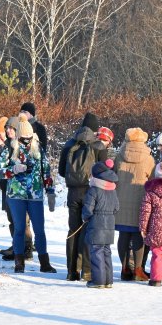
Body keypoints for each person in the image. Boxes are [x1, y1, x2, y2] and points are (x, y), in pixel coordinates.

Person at [0, 117, 57, 274]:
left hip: (35, 195)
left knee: (39, 229)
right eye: (24, 139)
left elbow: (46, 171)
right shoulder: (10, 148)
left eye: (29, 138)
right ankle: (19, 262)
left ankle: (45, 263)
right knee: (20, 229)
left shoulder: (38, 148)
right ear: (18, 137)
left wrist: (50, 191)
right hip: (16, 195)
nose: (27, 142)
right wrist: (14, 170)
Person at [59, 112, 108, 281]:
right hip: (91, 192)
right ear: (95, 130)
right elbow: (104, 172)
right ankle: (87, 270)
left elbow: (60, 171)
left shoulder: (69, 144)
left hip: (73, 192)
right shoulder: (99, 146)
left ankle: (71, 271)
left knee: (73, 230)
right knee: (88, 230)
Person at [113, 127, 155, 282]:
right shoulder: (148, 158)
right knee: (139, 235)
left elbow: (114, 175)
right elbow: (152, 179)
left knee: (123, 235)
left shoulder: (119, 156)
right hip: (140, 200)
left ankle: (124, 269)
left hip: (121, 200)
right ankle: (138, 269)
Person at [0, 116, 34, 261]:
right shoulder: (7, 146)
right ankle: (17, 247)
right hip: (8, 188)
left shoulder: (25, 146)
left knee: (23, 221)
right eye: (6, 128)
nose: (8, 130)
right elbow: (0, 169)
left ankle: (27, 249)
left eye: (11, 128)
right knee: (12, 220)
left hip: (21, 189)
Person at [82, 160, 119, 288]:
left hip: (96, 224)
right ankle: (108, 281)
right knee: (106, 251)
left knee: (97, 252)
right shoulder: (113, 189)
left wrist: (86, 218)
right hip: (109, 224)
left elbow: (87, 209)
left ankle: (98, 281)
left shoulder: (94, 190)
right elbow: (116, 208)